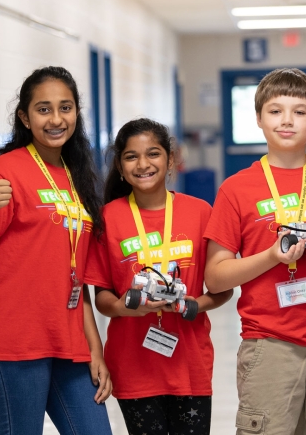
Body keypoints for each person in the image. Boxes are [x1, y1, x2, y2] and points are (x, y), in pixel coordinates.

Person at [0, 66, 113, 435]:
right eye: (44, 109)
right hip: (12, 343)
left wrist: (94, 347)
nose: (56, 119)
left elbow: (77, 276)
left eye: (65, 108)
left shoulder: (77, 175)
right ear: (24, 116)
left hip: (66, 342)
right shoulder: (4, 170)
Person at [204, 68, 306, 435]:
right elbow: (215, 276)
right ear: (259, 118)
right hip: (269, 344)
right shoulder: (236, 189)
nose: (287, 120)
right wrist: (271, 257)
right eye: (276, 111)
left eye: (300, 111)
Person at [85, 118, 233, 435]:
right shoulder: (107, 218)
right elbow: (101, 299)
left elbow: (223, 290)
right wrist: (127, 307)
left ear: (170, 159)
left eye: (153, 153)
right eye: (131, 156)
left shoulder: (200, 212)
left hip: (190, 363)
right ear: (121, 167)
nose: (143, 164)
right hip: (133, 364)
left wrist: (195, 305)